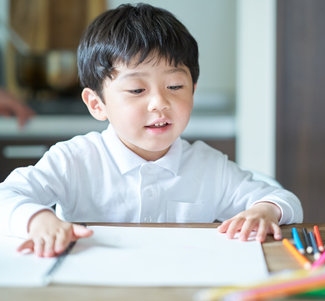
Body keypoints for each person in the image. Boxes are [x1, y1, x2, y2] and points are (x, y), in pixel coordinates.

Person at [0, 3, 303, 258]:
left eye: (175, 86)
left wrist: (265, 211)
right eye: (136, 89)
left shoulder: (209, 166)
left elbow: (284, 200)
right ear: (97, 104)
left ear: (193, 90)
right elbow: (7, 196)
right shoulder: (74, 159)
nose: (160, 103)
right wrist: (39, 219)